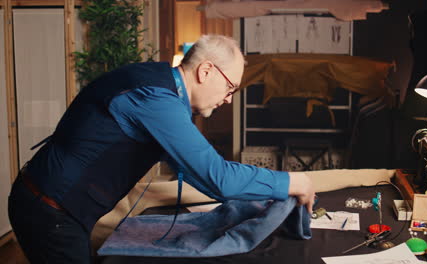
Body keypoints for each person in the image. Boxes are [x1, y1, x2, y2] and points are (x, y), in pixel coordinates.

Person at [8, 35, 315, 264]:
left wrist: (258, 195)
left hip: (52, 204)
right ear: (206, 71)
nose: (228, 99)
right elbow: (217, 178)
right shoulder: (155, 99)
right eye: (230, 88)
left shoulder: (160, 86)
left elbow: (196, 170)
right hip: (50, 211)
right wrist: (293, 181)